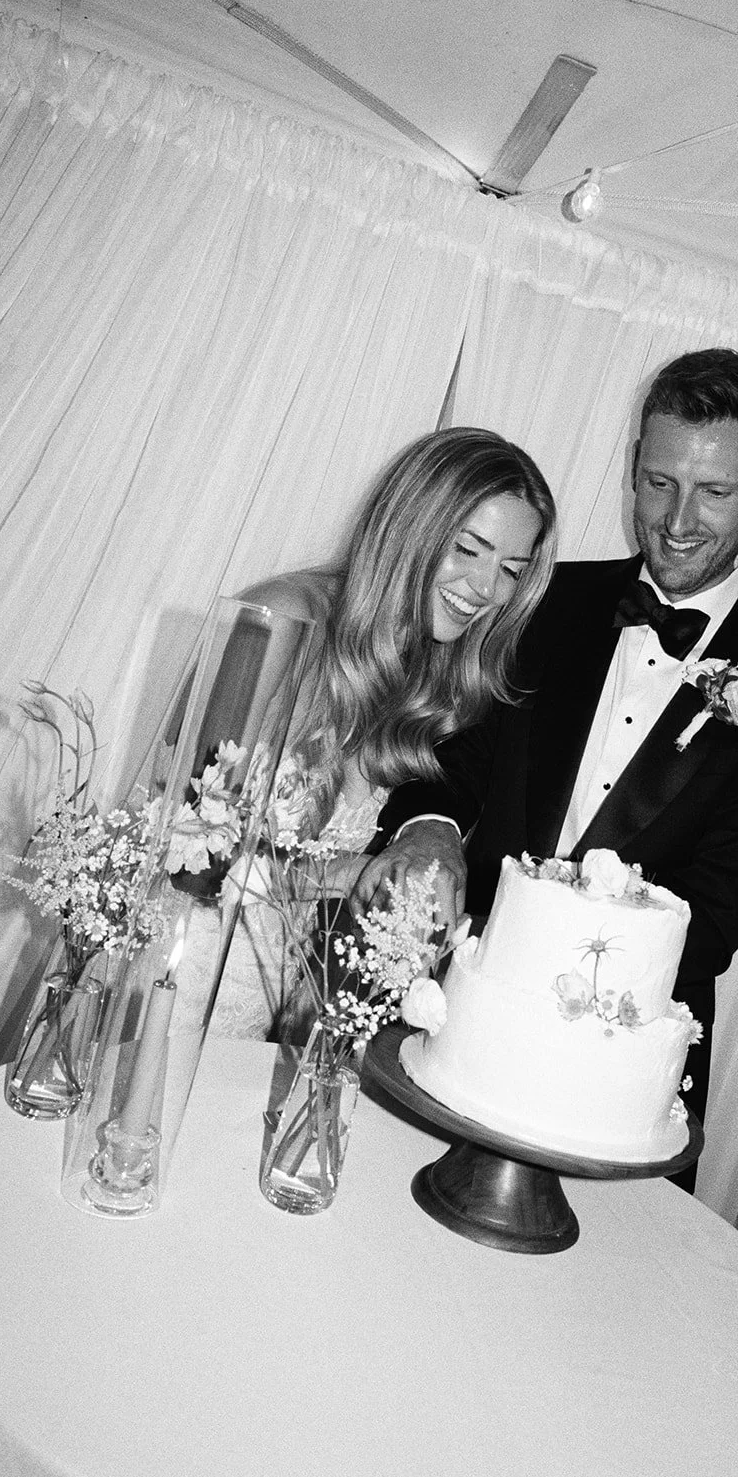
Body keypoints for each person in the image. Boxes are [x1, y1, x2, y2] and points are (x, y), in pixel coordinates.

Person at [356, 349, 738, 1166]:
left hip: (611, 1075)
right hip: (442, 1007)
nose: (677, 520)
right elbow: (452, 753)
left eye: (716, 491)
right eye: (659, 482)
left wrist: (537, 992)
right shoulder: (536, 599)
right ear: (632, 467)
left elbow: (718, 908)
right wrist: (426, 828)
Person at [173, 426, 557, 1038]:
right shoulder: (282, 619)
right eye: (467, 548)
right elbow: (187, 852)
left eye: (510, 569)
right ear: (411, 527)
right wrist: (355, 873)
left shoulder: (437, 679)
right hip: (174, 977)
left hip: (270, 1007)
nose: (485, 590)